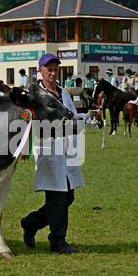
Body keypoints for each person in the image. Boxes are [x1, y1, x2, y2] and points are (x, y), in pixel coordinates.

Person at [21, 53, 87, 254]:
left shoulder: (62, 92)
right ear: (40, 70)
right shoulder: (34, 94)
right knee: (57, 198)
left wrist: (88, 117)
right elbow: (27, 122)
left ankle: (31, 222)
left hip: (67, 149)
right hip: (48, 148)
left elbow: (72, 116)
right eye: (48, 69)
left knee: (68, 198)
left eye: (55, 69)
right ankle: (57, 241)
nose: (52, 72)